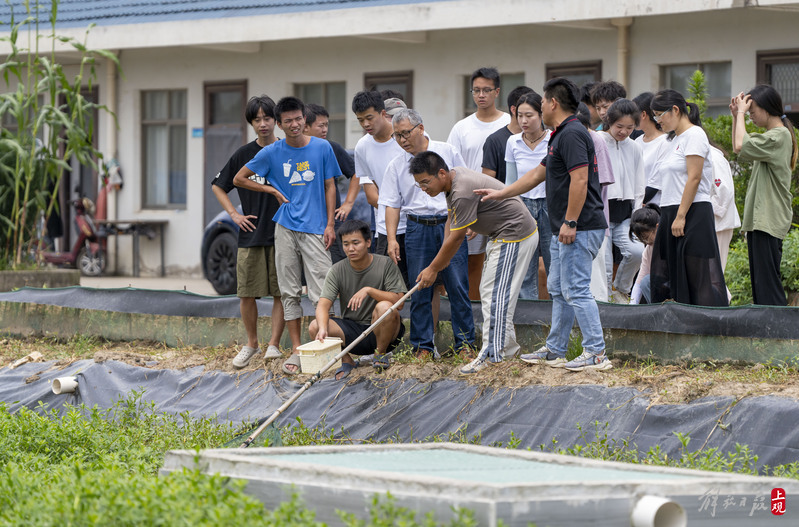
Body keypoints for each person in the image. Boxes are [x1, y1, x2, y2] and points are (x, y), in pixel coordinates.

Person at [479, 77, 611, 372]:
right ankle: (555, 349)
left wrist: (571, 221)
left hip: (581, 225)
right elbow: (538, 175)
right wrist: (501, 192)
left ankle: (596, 353)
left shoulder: (573, 133)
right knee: (558, 288)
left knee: (576, 289)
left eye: (540, 103)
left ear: (552, 103)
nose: (537, 107)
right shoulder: (558, 135)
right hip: (566, 227)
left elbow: (580, 179)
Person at [233, 96, 340, 374]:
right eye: (288, 121)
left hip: (316, 228)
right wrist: (270, 189)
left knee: (322, 291)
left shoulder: (322, 147)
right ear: (279, 125)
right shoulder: (271, 153)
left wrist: (330, 224)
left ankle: (325, 346)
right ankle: (295, 351)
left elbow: (330, 187)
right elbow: (239, 178)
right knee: (289, 292)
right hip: (285, 227)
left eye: (298, 119)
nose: (294, 124)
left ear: (305, 119)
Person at [411, 151, 537, 374]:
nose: (423, 188)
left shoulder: (460, 190)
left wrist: (433, 268)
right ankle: (505, 351)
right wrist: (441, 260)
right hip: (503, 236)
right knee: (490, 293)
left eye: (425, 182)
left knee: (494, 295)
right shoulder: (454, 178)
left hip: (513, 234)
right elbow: (453, 219)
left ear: (441, 173)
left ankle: (493, 356)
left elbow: (457, 237)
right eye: (418, 184)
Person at [382, 108, 475, 357]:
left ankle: (464, 344)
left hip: (450, 222)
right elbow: (392, 204)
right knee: (420, 288)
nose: (402, 140)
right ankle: (422, 346)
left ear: (420, 128)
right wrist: (392, 238)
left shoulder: (447, 151)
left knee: (457, 286)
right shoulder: (395, 165)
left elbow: (465, 185)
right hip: (416, 228)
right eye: (397, 136)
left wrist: (470, 221)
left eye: (405, 133)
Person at [211, 95, 286, 369]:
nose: (263, 124)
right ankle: (252, 343)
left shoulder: (287, 150)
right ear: (251, 122)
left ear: (276, 121)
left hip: (283, 232)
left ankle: (274, 345)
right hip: (251, 232)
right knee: (246, 293)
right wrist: (234, 214)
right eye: (258, 119)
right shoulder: (243, 155)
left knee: (281, 292)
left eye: (268, 118)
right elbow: (219, 185)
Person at [648, 89, 728, 306]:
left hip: (692, 212)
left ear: (675, 110)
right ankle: (681, 329)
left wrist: (681, 216)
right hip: (670, 211)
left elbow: (694, 177)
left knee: (696, 277)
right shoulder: (673, 140)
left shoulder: (694, 135)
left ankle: (706, 328)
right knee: (673, 275)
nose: (657, 121)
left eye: (659, 114)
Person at [309, 219, 407, 380]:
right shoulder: (337, 270)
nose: (351, 248)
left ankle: (380, 355)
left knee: (384, 306)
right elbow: (323, 306)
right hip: (353, 334)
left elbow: (400, 302)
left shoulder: (385, 264)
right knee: (315, 325)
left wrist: (369, 291)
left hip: (384, 331)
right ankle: (347, 361)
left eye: (356, 243)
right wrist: (322, 329)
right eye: (346, 244)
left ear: (368, 242)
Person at [447, 67, 511, 301]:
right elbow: (452, 170)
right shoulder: (461, 128)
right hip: (469, 204)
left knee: (499, 260)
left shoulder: (510, 123)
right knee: (471, 260)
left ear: (497, 92)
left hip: (502, 203)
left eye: (486, 90)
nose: (481, 95)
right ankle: (474, 314)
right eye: (476, 90)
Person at [731, 85, 797, 306]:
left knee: (768, 285)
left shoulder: (778, 136)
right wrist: (736, 116)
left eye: (753, 111)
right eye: (747, 113)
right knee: (762, 283)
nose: (750, 117)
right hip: (763, 220)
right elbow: (737, 145)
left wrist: (740, 113)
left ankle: (779, 334)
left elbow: (740, 145)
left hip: (768, 219)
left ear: (768, 109)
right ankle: (767, 334)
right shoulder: (774, 136)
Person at [351, 91, 409, 285]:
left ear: (383, 113)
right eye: (360, 120)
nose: (366, 124)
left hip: (416, 223)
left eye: (369, 118)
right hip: (386, 228)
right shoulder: (362, 147)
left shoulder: (405, 138)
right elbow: (371, 191)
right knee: (388, 286)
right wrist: (391, 210)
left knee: (423, 286)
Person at [504, 91, 551, 300]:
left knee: (554, 265)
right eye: (520, 115)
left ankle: (559, 321)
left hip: (550, 205)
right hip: (523, 206)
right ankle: (530, 324)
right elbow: (510, 182)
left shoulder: (553, 139)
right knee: (525, 269)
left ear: (541, 115)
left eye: (529, 115)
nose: (523, 120)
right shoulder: (513, 142)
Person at [600, 99, 645, 303]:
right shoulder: (598, 140)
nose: (624, 132)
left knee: (637, 251)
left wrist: (636, 213)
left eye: (629, 127)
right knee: (605, 264)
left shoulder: (634, 147)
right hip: (602, 211)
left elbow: (639, 184)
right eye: (619, 126)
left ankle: (620, 290)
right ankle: (604, 301)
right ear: (609, 121)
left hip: (625, 213)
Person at [303, 103, 358, 264]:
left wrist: (348, 203)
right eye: (320, 126)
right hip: (304, 223)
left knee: (336, 267)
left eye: (327, 125)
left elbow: (356, 174)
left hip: (331, 223)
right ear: (305, 127)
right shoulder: (292, 150)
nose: (325, 130)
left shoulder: (331, 148)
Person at [576, 102, 615, 303]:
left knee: (597, 276)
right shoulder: (561, 138)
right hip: (571, 221)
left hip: (593, 220)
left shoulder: (595, 140)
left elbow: (598, 185)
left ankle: (600, 323)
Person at [482, 85, 534, 183]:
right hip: (507, 197)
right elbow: (487, 183)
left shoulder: (543, 137)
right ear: (514, 110)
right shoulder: (494, 141)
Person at [632, 92, 669, 206]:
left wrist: (636, 203)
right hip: (636, 208)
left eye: (633, 114)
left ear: (643, 114)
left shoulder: (665, 141)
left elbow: (655, 184)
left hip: (655, 208)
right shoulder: (637, 141)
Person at [629, 204, 660, 305]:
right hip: (663, 292)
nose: (644, 241)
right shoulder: (648, 250)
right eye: (640, 239)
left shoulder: (670, 243)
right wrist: (631, 307)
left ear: (657, 227)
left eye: (646, 237)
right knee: (645, 282)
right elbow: (639, 282)